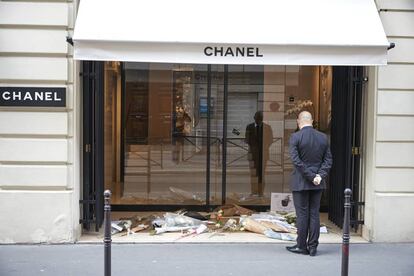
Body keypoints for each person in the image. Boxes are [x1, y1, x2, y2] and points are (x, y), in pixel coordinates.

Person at [286, 111, 332, 256]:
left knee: (302, 215)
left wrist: (311, 176)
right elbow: (328, 160)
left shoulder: (295, 137)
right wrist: (319, 175)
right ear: (312, 121)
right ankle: (313, 247)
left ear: (298, 121)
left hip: (301, 182)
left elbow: (296, 161)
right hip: (318, 182)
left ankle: (301, 246)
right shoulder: (323, 137)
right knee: (314, 214)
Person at [245, 111, 273, 197]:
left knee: (261, 174)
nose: (258, 120)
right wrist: (253, 148)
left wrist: (264, 147)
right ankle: (254, 191)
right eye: (257, 118)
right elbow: (247, 139)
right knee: (253, 174)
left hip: (263, 155)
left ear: (262, 119)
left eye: (259, 118)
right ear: (254, 118)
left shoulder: (267, 127)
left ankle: (260, 192)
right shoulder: (249, 127)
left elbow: (270, 140)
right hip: (252, 155)